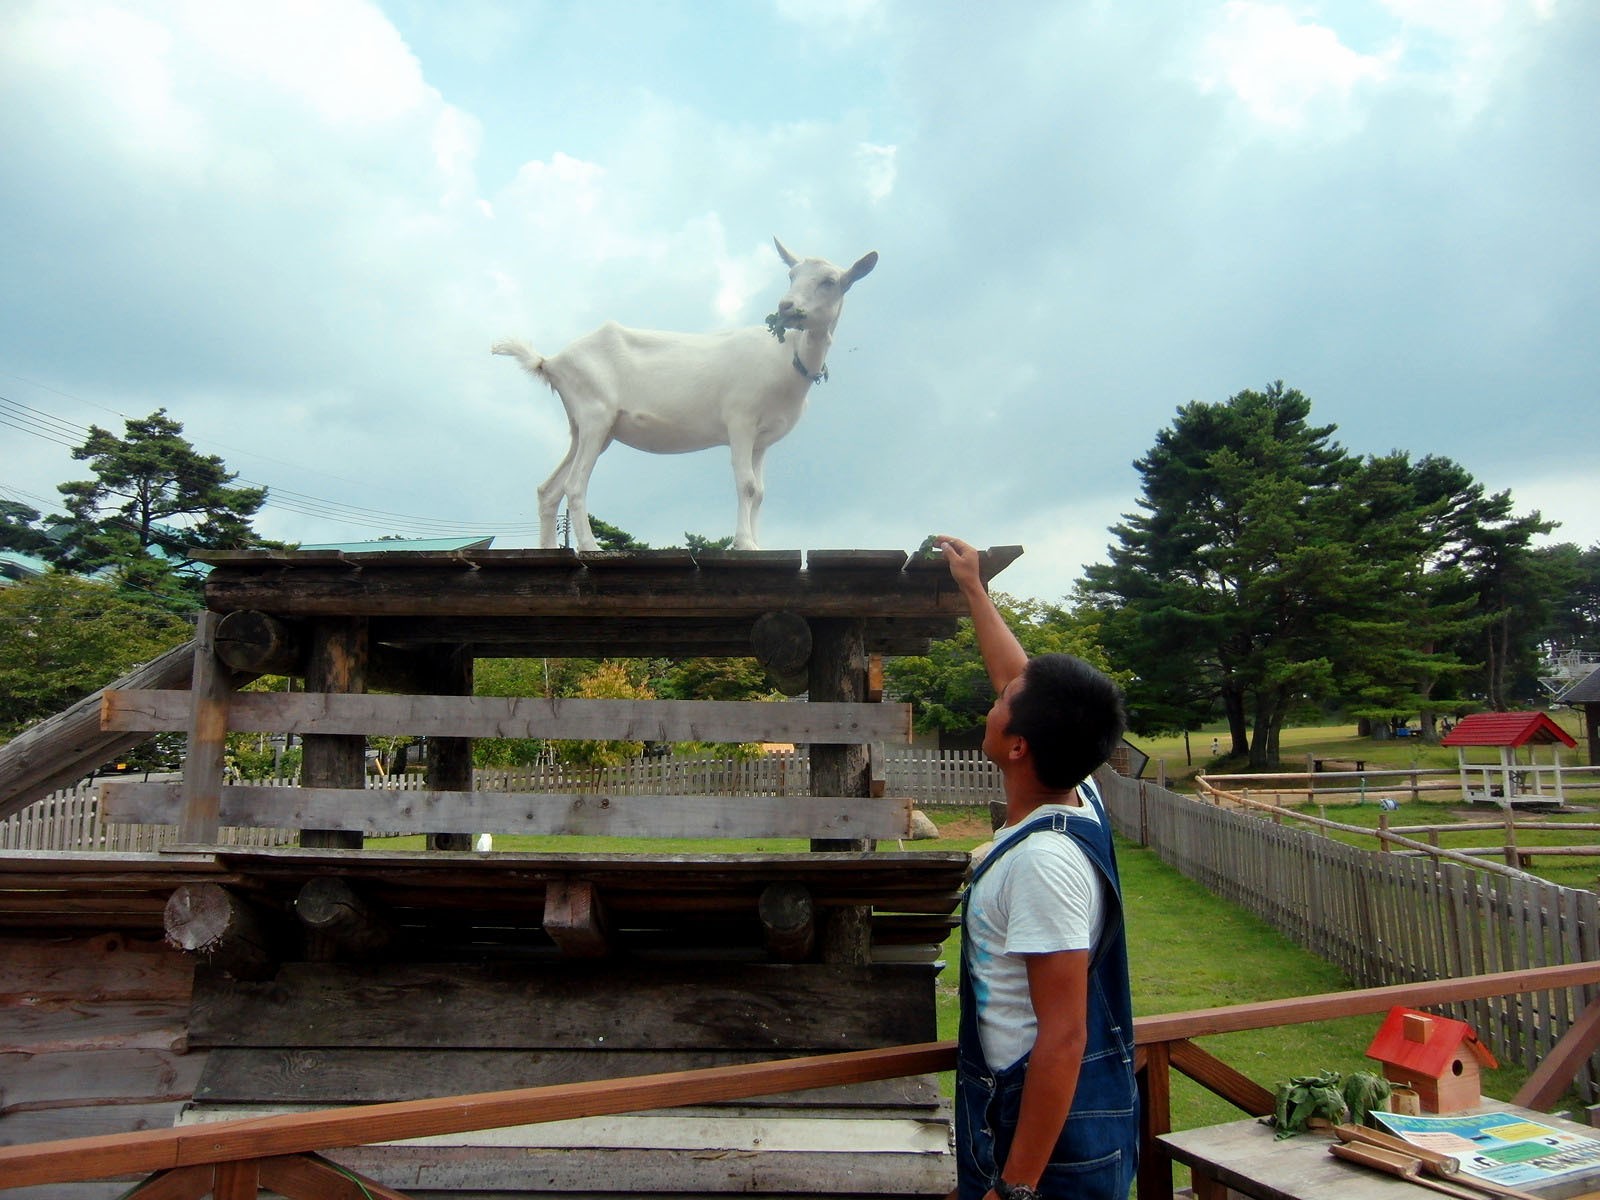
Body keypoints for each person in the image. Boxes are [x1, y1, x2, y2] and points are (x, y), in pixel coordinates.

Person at [937, 536, 1138, 1200]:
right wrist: (974, 588)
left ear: (1017, 745)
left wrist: (1016, 1187)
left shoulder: (1043, 865)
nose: (992, 701)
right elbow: (1018, 683)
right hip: (1038, 1131)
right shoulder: (1080, 796)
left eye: (1000, 704)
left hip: (1044, 1152)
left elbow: (1064, 1035)